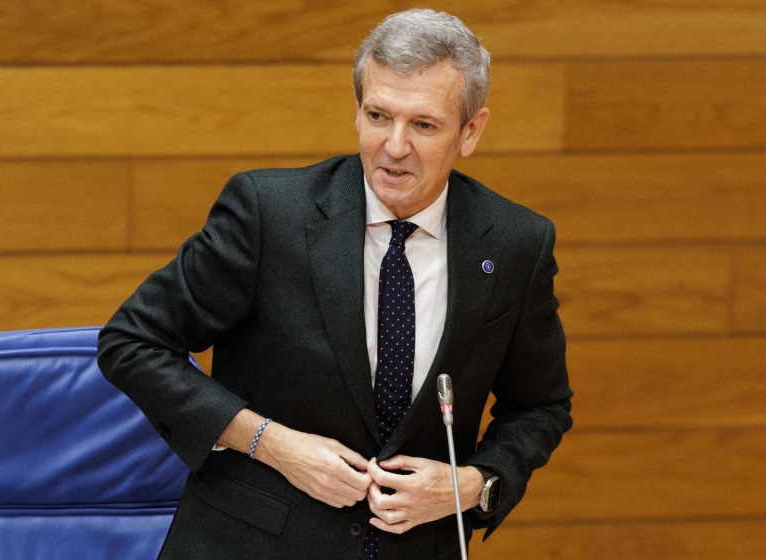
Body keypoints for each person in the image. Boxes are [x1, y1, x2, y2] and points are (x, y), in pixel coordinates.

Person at [98, 8, 572, 560]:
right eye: (378, 116)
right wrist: (270, 443)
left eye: (423, 125)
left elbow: (540, 406)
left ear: (471, 131)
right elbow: (132, 342)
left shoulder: (516, 244)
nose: (394, 146)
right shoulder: (269, 215)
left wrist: (474, 485)